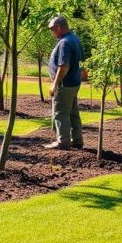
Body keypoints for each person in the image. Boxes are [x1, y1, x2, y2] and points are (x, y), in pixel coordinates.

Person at [45, 16, 83, 150]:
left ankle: (63, 141)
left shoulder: (65, 43)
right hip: (74, 83)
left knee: (60, 113)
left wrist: (55, 83)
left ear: (59, 27)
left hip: (65, 84)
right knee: (73, 112)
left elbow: (63, 66)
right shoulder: (75, 39)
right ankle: (77, 140)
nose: (52, 33)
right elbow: (81, 63)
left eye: (52, 29)